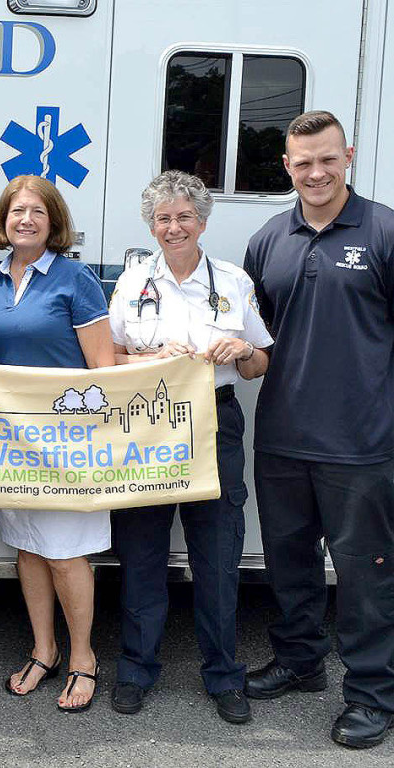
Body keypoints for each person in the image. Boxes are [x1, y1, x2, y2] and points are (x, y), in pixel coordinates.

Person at [242, 110, 394, 749]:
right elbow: (259, 339)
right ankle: (300, 660)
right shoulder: (269, 238)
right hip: (281, 436)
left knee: (365, 574)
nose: (316, 172)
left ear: (349, 155)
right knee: (289, 562)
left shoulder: (384, 230)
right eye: (303, 162)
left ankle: (371, 694)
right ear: (286, 166)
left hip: (361, 443)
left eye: (328, 159)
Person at [0, 174, 115, 712]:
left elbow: (102, 370)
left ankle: (83, 658)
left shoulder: (75, 278)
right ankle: (43, 651)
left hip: (68, 445)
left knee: (66, 556)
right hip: (12, 446)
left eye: (38, 212)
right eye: (17, 211)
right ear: (3, 219)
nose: (26, 220)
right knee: (28, 550)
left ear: (54, 221)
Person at [107, 170, 272, 724]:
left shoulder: (233, 281)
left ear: (203, 221)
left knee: (218, 556)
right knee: (142, 553)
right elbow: (107, 359)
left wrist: (241, 347)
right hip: (146, 426)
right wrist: (147, 360)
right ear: (150, 226)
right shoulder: (132, 282)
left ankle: (225, 677)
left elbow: (258, 366)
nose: (173, 227)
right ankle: (134, 670)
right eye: (162, 218)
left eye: (183, 217)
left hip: (214, 425)